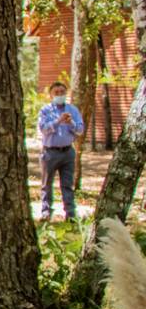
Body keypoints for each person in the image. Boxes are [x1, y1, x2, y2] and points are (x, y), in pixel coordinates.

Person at [38, 81, 85, 221]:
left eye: (62, 92)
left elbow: (80, 130)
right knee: (47, 184)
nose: (59, 95)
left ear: (66, 93)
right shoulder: (45, 110)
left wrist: (71, 123)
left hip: (68, 152)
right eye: (56, 93)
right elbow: (44, 129)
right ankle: (46, 213)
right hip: (50, 153)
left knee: (67, 184)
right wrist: (58, 121)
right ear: (51, 95)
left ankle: (70, 214)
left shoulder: (73, 110)